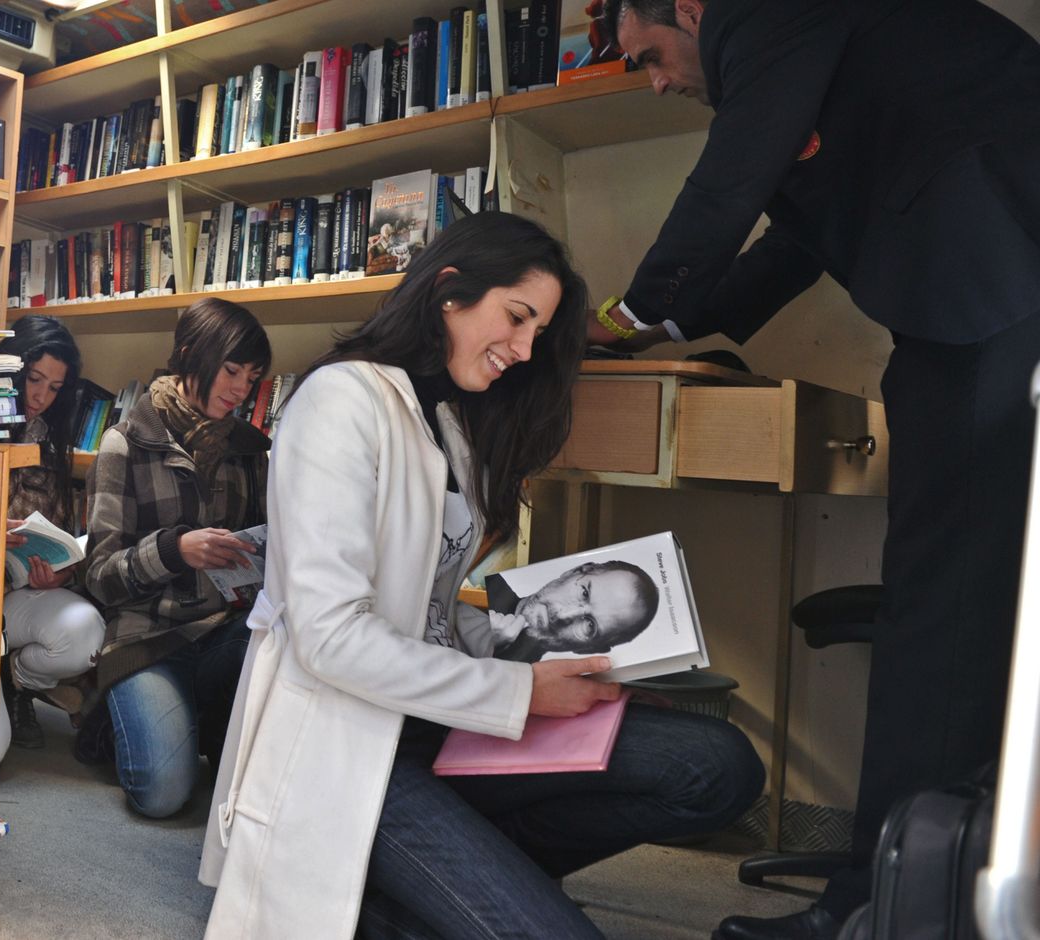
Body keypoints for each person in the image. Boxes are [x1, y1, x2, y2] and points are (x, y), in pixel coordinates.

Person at [595, 2, 1040, 937]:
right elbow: (793, 244)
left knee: (939, 613)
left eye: (650, 57)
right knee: (965, 609)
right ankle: (917, 886)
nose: (659, 81)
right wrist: (673, 331)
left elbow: (733, 177)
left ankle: (879, 909)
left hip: (994, 282)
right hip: (975, 295)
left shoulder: (764, 15)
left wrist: (622, 320)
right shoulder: (821, 61)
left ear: (687, 7)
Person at [198, 211, 764, 939]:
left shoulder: (455, 428)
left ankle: (436, 891)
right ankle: (400, 893)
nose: (525, 350)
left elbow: (427, 611)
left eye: (538, 332)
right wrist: (521, 691)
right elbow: (330, 639)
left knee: (718, 765)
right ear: (450, 291)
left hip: (442, 724)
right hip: (354, 753)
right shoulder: (340, 402)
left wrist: (549, 658)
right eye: (517, 317)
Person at [80, 298, 271, 818]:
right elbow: (100, 579)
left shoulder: (251, 451)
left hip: (222, 633)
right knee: (162, 795)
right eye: (231, 371)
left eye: (252, 378)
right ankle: (107, 720)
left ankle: (199, 721)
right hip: (147, 636)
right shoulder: (125, 443)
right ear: (189, 356)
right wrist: (174, 550)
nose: (240, 389)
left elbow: (264, 544)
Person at [0, 315, 105, 750]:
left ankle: (19, 682)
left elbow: (57, 531)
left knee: (84, 631)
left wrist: (59, 573)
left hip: (17, 594)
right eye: (33, 379)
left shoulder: (48, 440)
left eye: (55, 387)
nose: (40, 396)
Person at [488, 560, 660, 662]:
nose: (564, 615)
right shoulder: (483, 583)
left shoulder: (541, 698)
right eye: (584, 593)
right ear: (574, 572)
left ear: (590, 650)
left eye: (589, 625)